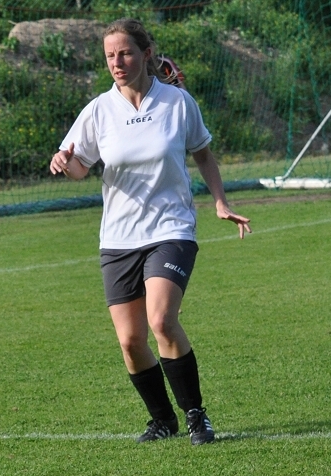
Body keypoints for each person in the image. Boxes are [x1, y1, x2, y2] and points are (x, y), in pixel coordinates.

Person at [49, 18, 251, 446]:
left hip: (171, 229)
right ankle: (162, 420)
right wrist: (65, 164)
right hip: (118, 238)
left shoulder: (177, 103)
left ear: (145, 54)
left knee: (161, 320)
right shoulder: (99, 110)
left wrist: (220, 202)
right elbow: (80, 167)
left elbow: (203, 155)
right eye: (109, 56)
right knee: (130, 340)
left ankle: (196, 415)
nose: (116, 62)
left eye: (124, 53)